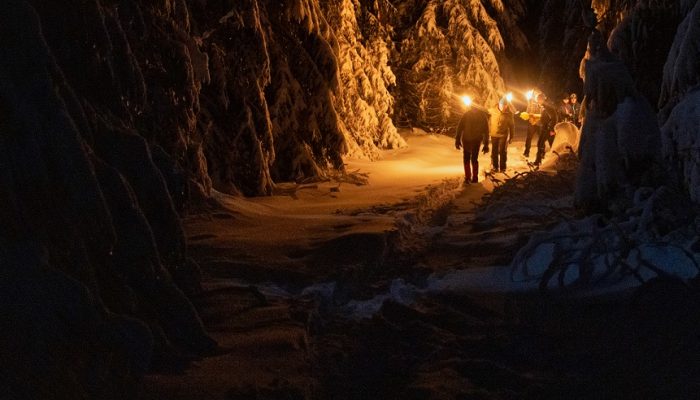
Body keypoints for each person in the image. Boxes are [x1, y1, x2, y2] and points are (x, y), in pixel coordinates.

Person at [455, 100, 490, 184]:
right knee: (468, 159)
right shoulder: (467, 115)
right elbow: (460, 128)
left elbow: (486, 131)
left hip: (475, 140)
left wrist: (486, 144)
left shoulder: (481, 116)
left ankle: (474, 178)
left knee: (473, 159)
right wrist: (457, 139)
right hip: (467, 140)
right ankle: (469, 177)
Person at [490, 96, 515, 172]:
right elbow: (484, 113)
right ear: (499, 104)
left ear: (507, 106)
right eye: (502, 105)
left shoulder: (509, 114)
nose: (503, 107)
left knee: (502, 151)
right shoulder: (492, 111)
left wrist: (511, 137)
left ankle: (503, 168)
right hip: (494, 134)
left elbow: (512, 126)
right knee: (494, 151)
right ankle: (495, 167)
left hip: (503, 135)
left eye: (505, 105)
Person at [534, 93, 558, 166]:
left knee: (542, 144)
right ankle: (539, 160)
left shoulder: (548, 106)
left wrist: (551, 129)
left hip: (548, 129)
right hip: (544, 128)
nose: (537, 101)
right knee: (548, 144)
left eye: (538, 100)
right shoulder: (544, 106)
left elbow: (554, 118)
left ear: (542, 99)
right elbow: (545, 117)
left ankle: (555, 160)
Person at [523, 90, 543, 158]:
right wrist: (527, 115)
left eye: (540, 99)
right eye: (537, 98)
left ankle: (541, 152)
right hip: (531, 124)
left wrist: (535, 115)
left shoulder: (543, 106)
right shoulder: (531, 104)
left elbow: (543, 115)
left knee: (541, 139)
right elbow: (527, 113)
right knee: (529, 138)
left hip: (540, 124)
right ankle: (526, 152)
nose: (538, 100)